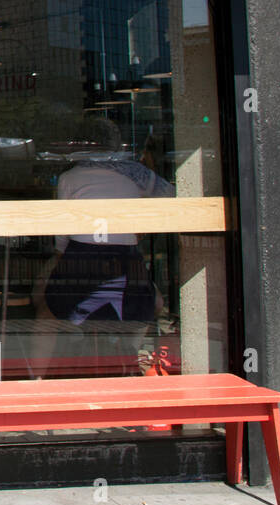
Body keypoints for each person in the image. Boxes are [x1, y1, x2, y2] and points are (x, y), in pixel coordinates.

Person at [30, 117, 174, 369]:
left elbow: (63, 233)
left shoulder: (70, 177)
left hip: (81, 259)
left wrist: (57, 256)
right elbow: (172, 197)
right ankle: (132, 357)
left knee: (46, 313)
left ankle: (34, 378)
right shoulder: (137, 173)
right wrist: (140, 227)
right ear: (117, 145)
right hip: (126, 261)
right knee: (154, 304)